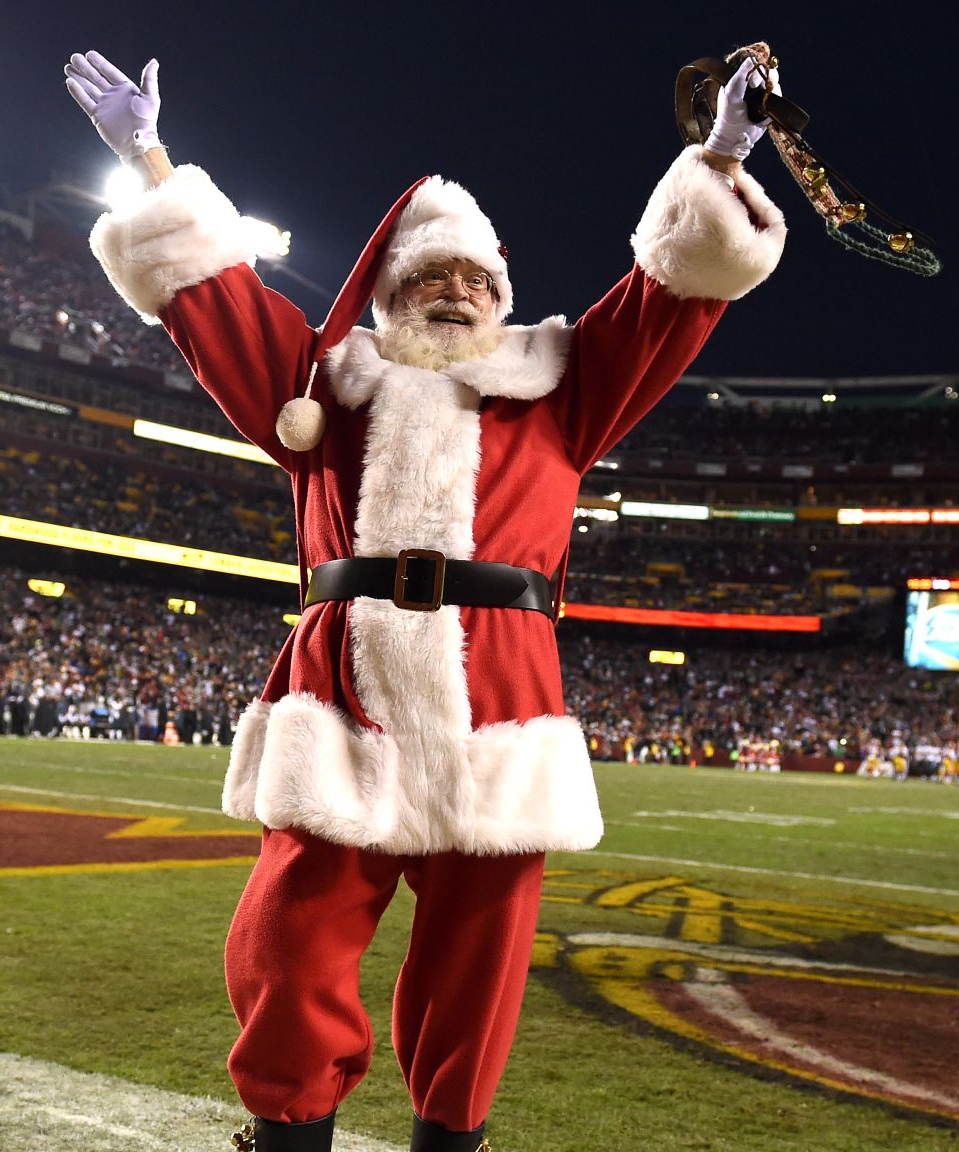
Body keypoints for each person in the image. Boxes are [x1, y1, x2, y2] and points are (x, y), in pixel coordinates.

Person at [67, 45, 786, 1152]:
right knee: (287, 946)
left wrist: (720, 155)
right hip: (340, 698)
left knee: (479, 968)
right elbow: (209, 295)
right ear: (383, 296)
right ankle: (286, 1135)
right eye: (428, 279)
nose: (455, 293)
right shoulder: (318, 386)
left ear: (505, 300)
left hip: (496, 704)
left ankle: (450, 1140)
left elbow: (668, 292)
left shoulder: (563, 387)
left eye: (477, 282)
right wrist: (147, 157)